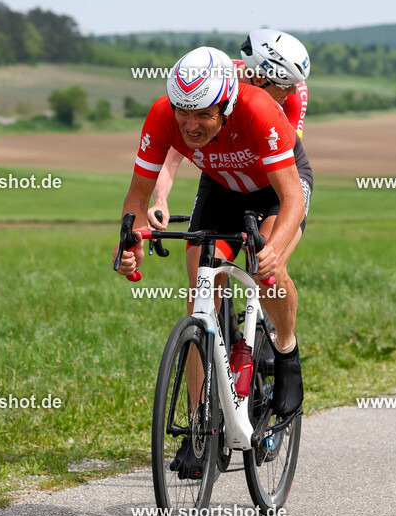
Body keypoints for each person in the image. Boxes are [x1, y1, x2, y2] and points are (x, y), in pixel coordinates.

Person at [112, 46, 312, 477]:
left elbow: (292, 197)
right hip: (220, 191)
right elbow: (137, 195)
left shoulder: (258, 110)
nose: (190, 125)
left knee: (267, 269)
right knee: (199, 288)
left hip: (276, 189)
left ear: (226, 103)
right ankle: (199, 426)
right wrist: (130, 241)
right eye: (184, 114)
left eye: (202, 114)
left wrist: (273, 247)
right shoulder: (163, 115)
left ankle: (285, 347)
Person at [148, 29, 311, 230]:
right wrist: (160, 201)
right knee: (201, 259)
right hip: (223, 177)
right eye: (286, 85)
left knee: (269, 255)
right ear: (259, 79)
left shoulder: (293, 97)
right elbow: (173, 155)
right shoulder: (213, 82)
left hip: (270, 179)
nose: (292, 90)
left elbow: (286, 156)